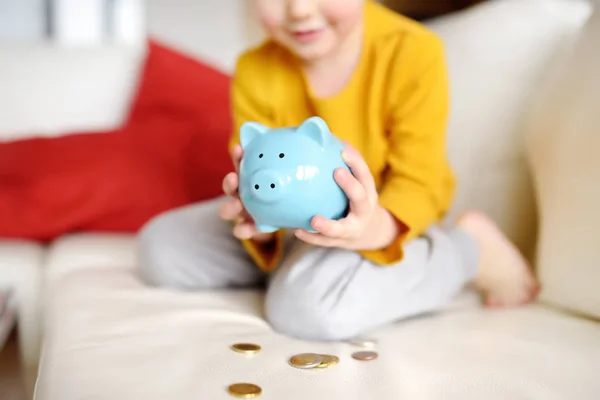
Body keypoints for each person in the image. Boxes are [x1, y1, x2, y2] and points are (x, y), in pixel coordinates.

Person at [136, 0, 540, 341]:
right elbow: (255, 164)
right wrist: (257, 222)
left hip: (378, 220)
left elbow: (420, 180)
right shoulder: (255, 68)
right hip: (286, 224)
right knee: (161, 247)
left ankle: (467, 249)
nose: (298, 10)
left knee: (306, 311)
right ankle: (295, 268)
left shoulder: (412, 51)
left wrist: (371, 229)